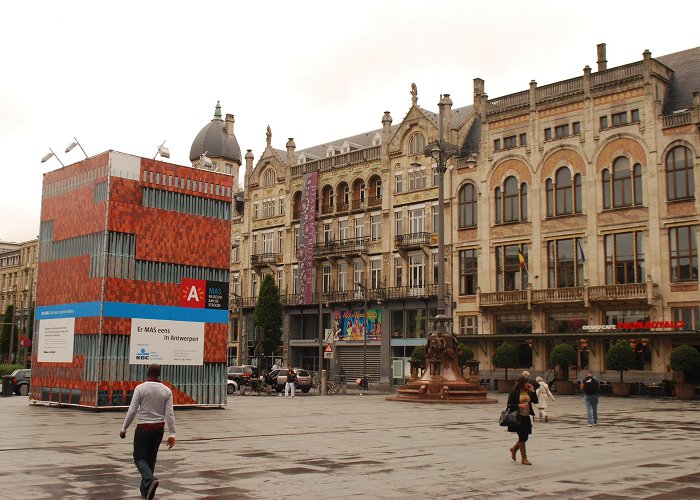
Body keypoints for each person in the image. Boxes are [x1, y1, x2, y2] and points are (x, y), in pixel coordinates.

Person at [119, 363, 176, 500]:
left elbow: (132, 410)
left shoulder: (140, 388)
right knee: (151, 459)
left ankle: (150, 480)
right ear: (159, 374)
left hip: (143, 428)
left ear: (147, 373)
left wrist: (124, 428)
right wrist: (172, 434)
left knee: (139, 458)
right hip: (158, 429)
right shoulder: (166, 391)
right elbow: (170, 414)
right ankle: (145, 492)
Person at [506, 376, 538, 465]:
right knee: (522, 437)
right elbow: (509, 405)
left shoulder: (528, 391)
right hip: (518, 417)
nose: (528, 384)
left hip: (526, 417)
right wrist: (520, 405)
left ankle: (514, 448)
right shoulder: (515, 392)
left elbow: (535, 401)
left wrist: (533, 391)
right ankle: (524, 458)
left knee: (525, 436)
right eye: (526, 382)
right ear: (521, 383)